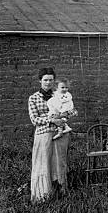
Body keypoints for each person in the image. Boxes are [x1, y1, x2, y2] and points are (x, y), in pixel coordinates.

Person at [28, 67, 78, 201]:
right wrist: (51, 119)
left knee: (59, 164)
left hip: (60, 134)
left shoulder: (60, 94)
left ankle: (61, 194)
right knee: (43, 164)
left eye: (51, 80)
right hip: (43, 134)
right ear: (40, 81)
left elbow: (73, 111)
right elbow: (34, 119)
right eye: (45, 80)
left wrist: (64, 115)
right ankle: (42, 197)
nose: (48, 83)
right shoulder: (33, 98)